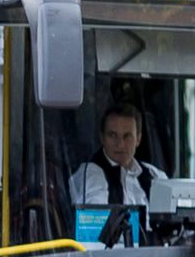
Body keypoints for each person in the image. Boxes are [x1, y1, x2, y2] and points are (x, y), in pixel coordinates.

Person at [67, 104, 167, 246]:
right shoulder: (90, 173)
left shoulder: (155, 176)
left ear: (138, 139)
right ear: (102, 137)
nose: (120, 144)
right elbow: (95, 231)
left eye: (127, 136)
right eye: (112, 135)